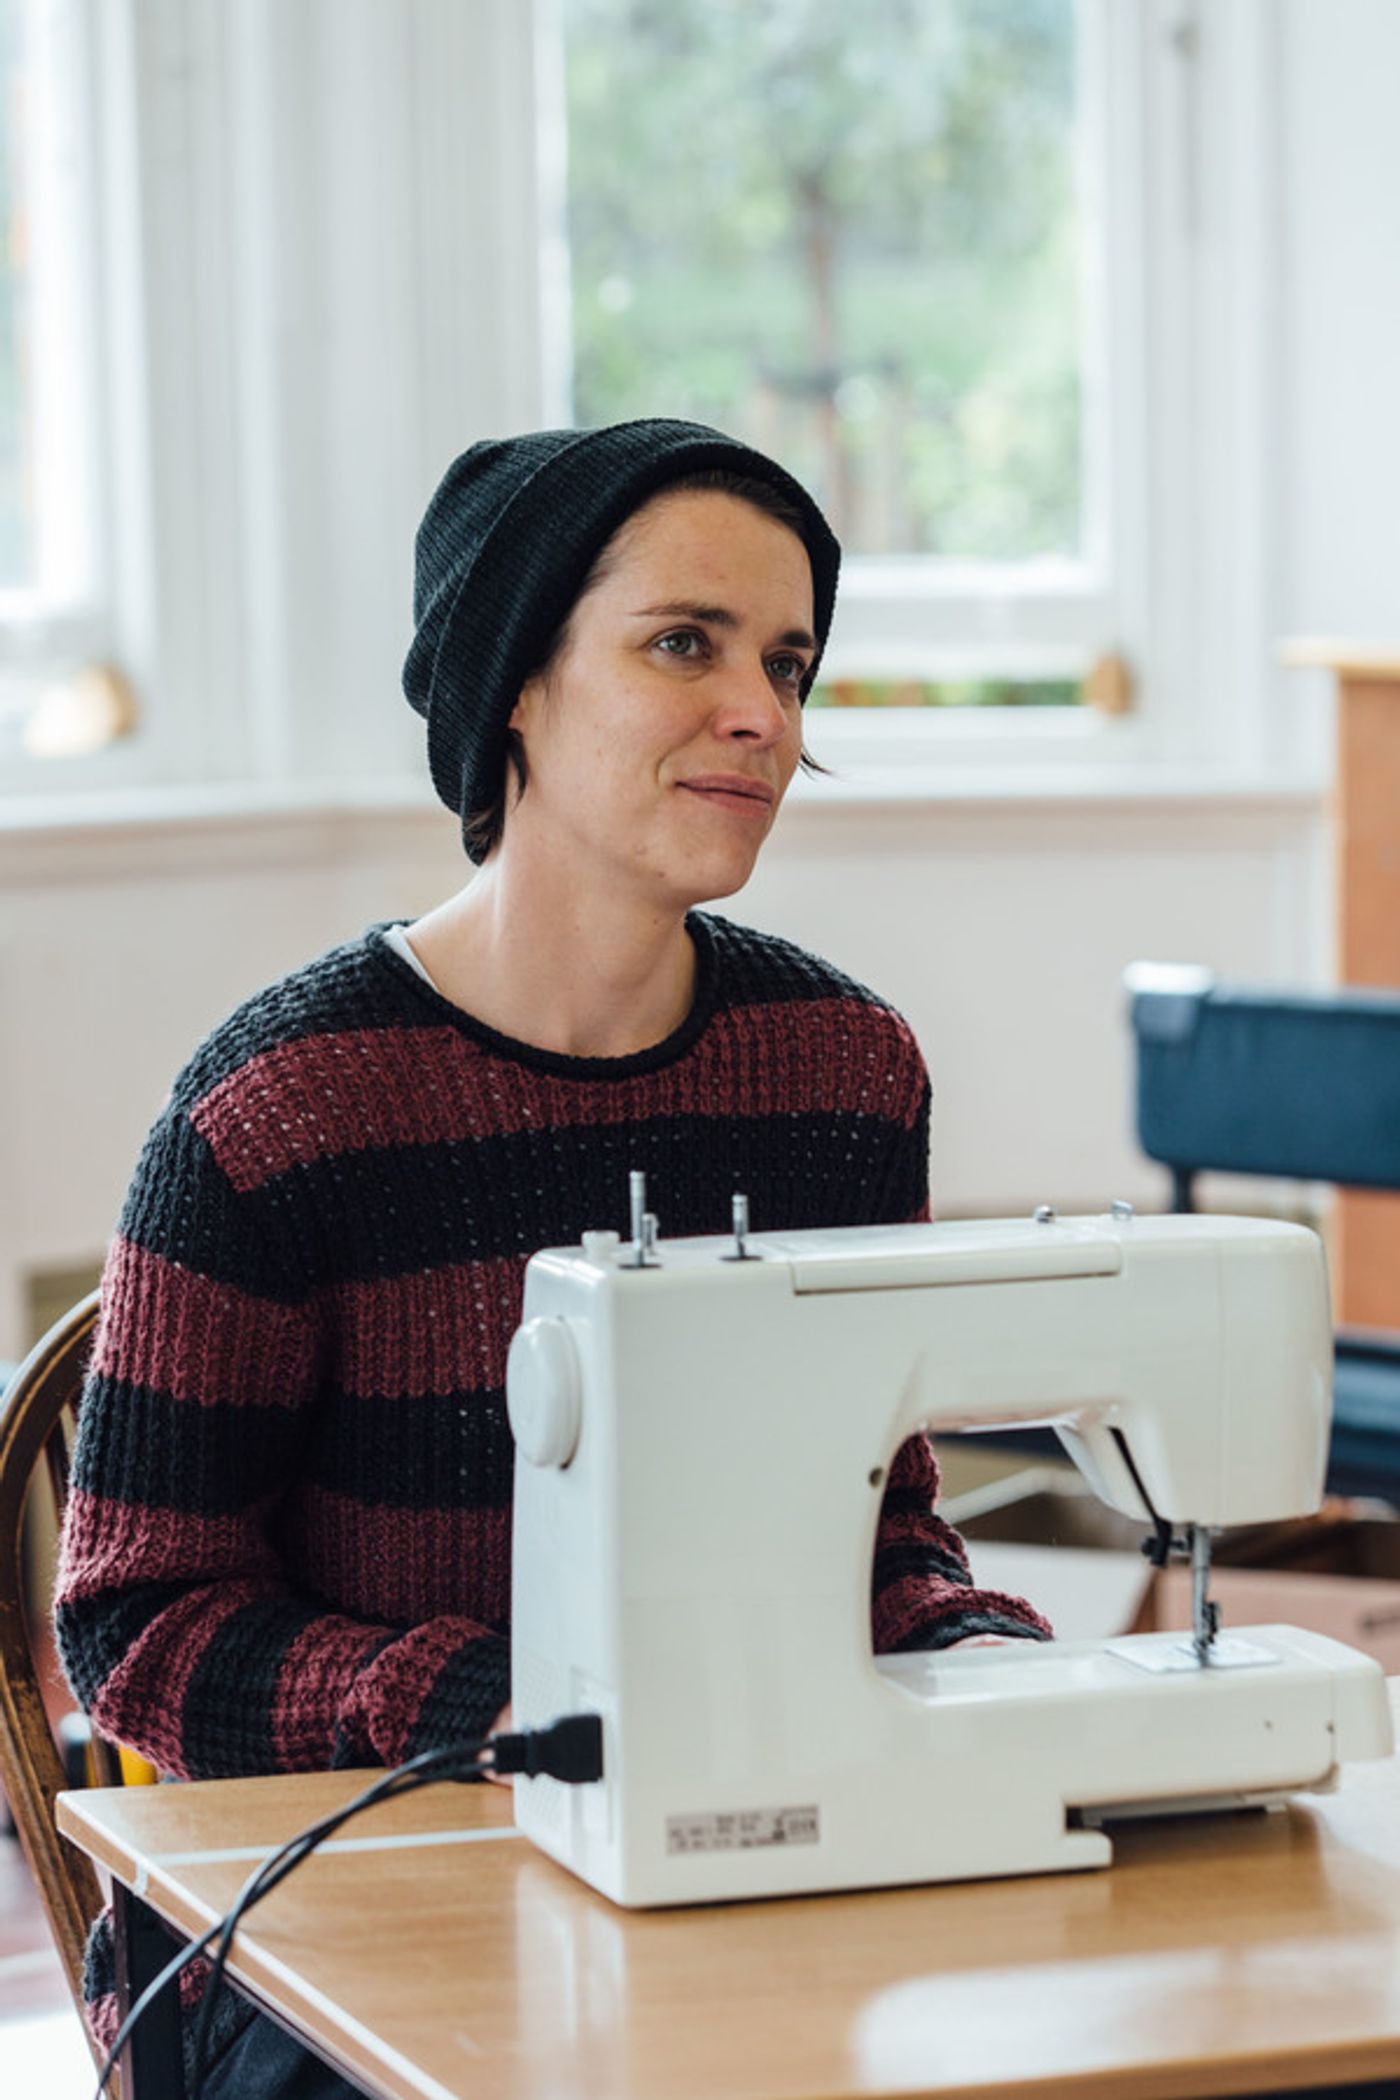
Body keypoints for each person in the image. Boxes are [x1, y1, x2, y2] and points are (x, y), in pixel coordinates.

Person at [55, 419, 1051, 2096]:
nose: (765, 713)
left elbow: (870, 1527)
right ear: (515, 681)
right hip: (334, 1911)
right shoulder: (278, 1113)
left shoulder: (843, 1075)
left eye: (788, 662)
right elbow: (135, 1624)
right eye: (686, 644)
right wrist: (494, 1706)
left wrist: (969, 1651)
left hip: (730, 1859)